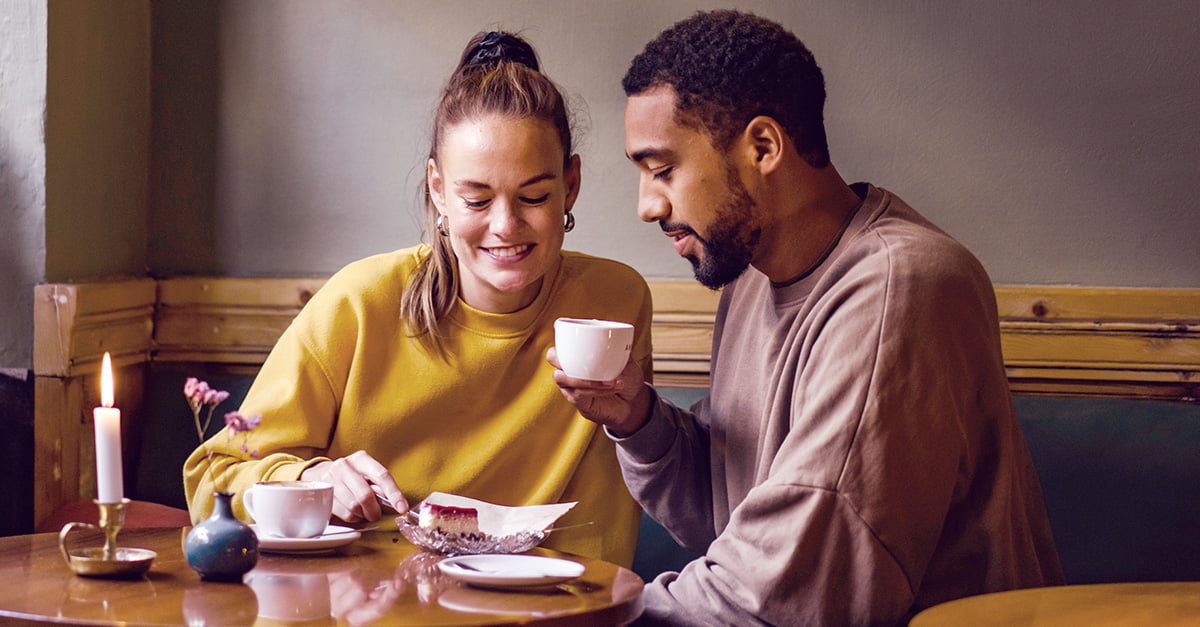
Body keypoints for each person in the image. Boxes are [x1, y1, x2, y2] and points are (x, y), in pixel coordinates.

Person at [549, 9, 1064, 624]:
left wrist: (579, 619)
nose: (646, 205)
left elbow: (783, 592)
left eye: (662, 170)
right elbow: (730, 511)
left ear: (763, 147)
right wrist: (638, 421)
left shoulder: (902, 288)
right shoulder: (749, 276)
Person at [184, 30, 652, 566]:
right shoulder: (359, 304)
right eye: (476, 198)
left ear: (571, 184)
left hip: (557, 608)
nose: (506, 225)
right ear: (437, 188)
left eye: (535, 196)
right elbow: (212, 477)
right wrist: (308, 477)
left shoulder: (616, 302)